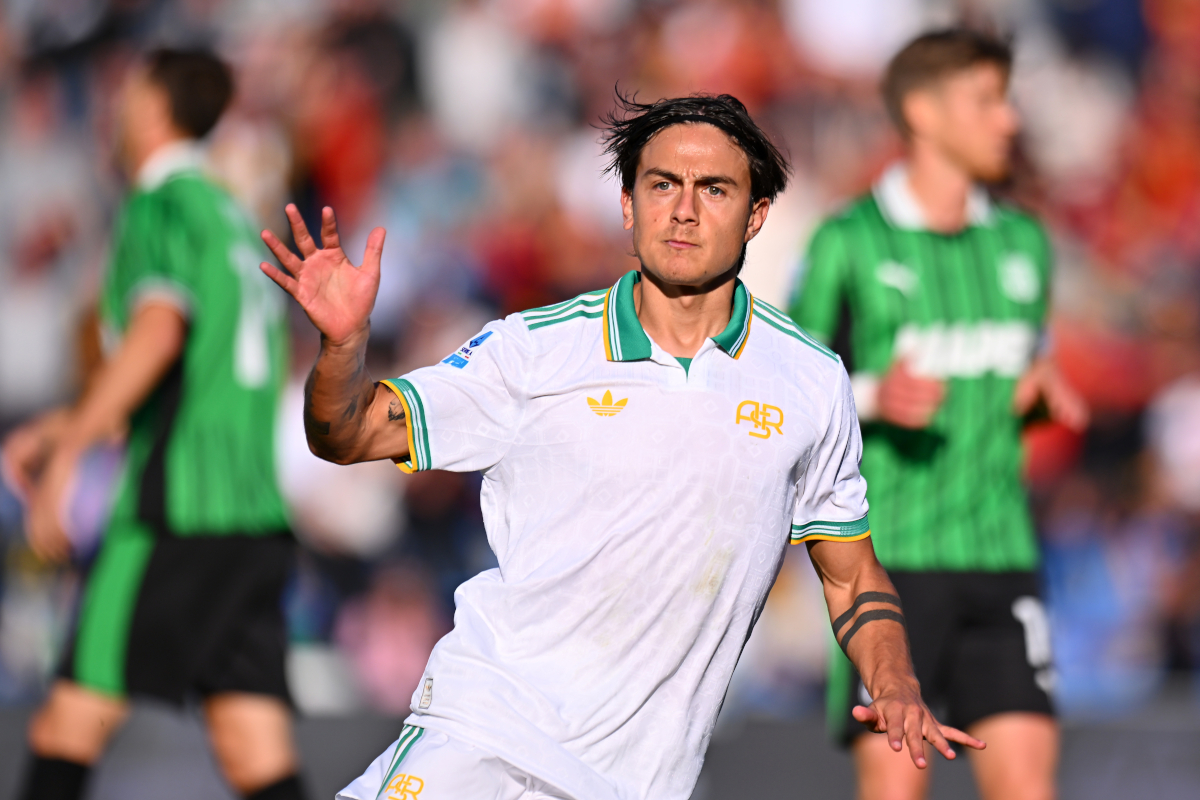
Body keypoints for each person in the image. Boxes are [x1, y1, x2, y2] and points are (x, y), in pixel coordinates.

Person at [260, 92, 984, 800]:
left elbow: (851, 575)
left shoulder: (810, 381)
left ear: (757, 215)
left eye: (715, 189)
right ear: (628, 203)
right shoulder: (535, 350)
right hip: (484, 736)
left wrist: (896, 682)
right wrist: (342, 349)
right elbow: (347, 432)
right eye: (662, 184)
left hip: (639, 780)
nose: (684, 209)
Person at [788, 30, 1089, 800]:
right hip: (889, 568)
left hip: (1003, 556)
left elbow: (1022, 368)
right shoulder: (849, 242)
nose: (1009, 120)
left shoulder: (1023, 244)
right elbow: (787, 391)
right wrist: (872, 395)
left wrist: (1038, 391)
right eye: (986, 101)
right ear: (922, 112)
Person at [1, 49, 305, 800]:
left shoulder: (157, 205)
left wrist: (68, 453)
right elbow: (190, 369)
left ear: (152, 110)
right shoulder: (231, 216)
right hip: (252, 517)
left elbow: (160, 331)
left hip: (174, 514)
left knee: (68, 722)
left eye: (127, 93)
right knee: (252, 748)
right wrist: (64, 424)